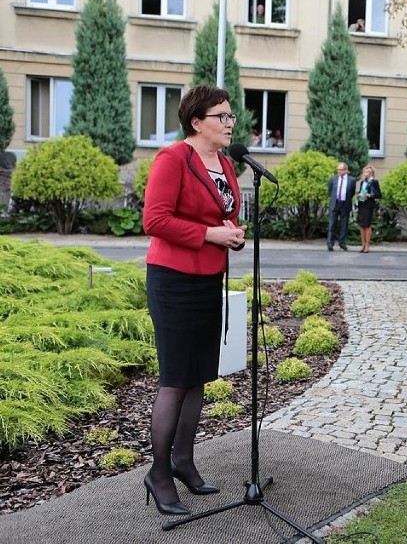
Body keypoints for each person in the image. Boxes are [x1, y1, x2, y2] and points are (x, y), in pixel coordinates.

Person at [142, 85, 247, 515]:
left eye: (230, 116)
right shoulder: (172, 159)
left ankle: (184, 461)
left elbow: (225, 215)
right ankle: (159, 472)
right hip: (172, 281)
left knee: (199, 375)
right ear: (196, 121)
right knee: (175, 378)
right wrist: (210, 234)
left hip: (209, 280)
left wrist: (233, 235)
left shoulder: (225, 164)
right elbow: (155, 219)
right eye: (220, 116)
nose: (229, 123)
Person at [327, 162, 356, 251]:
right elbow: (330, 191)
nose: (338, 171)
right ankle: (330, 243)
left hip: (345, 204)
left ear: (346, 170)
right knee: (332, 224)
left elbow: (352, 192)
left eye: (340, 169)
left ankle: (342, 243)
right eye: (338, 169)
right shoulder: (333, 179)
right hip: (335, 203)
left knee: (344, 225)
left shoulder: (352, 180)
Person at [356, 165, 382, 253]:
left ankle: (367, 245)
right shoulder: (363, 182)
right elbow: (361, 192)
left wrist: (370, 195)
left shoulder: (374, 182)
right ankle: (362, 244)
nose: (364, 174)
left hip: (368, 205)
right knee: (361, 225)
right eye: (364, 172)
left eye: (366, 172)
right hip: (361, 204)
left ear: (371, 173)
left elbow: (379, 195)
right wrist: (359, 195)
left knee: (367, 225)